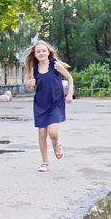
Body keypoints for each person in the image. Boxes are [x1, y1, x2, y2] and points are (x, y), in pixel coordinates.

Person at [24, 40, 74, 172]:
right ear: (34, 54)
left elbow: (69, 78)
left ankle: (56, 144)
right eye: (38, 51)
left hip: (56, 103)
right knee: (41, 134)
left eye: (43, 51)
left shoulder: (55, 65)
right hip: (40, 104)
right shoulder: (34, 69)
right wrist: (29, 84)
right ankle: (45, 163)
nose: (41, 53)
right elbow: (30, 88)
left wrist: (69, 94)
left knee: (52, 132)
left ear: (48, 52)